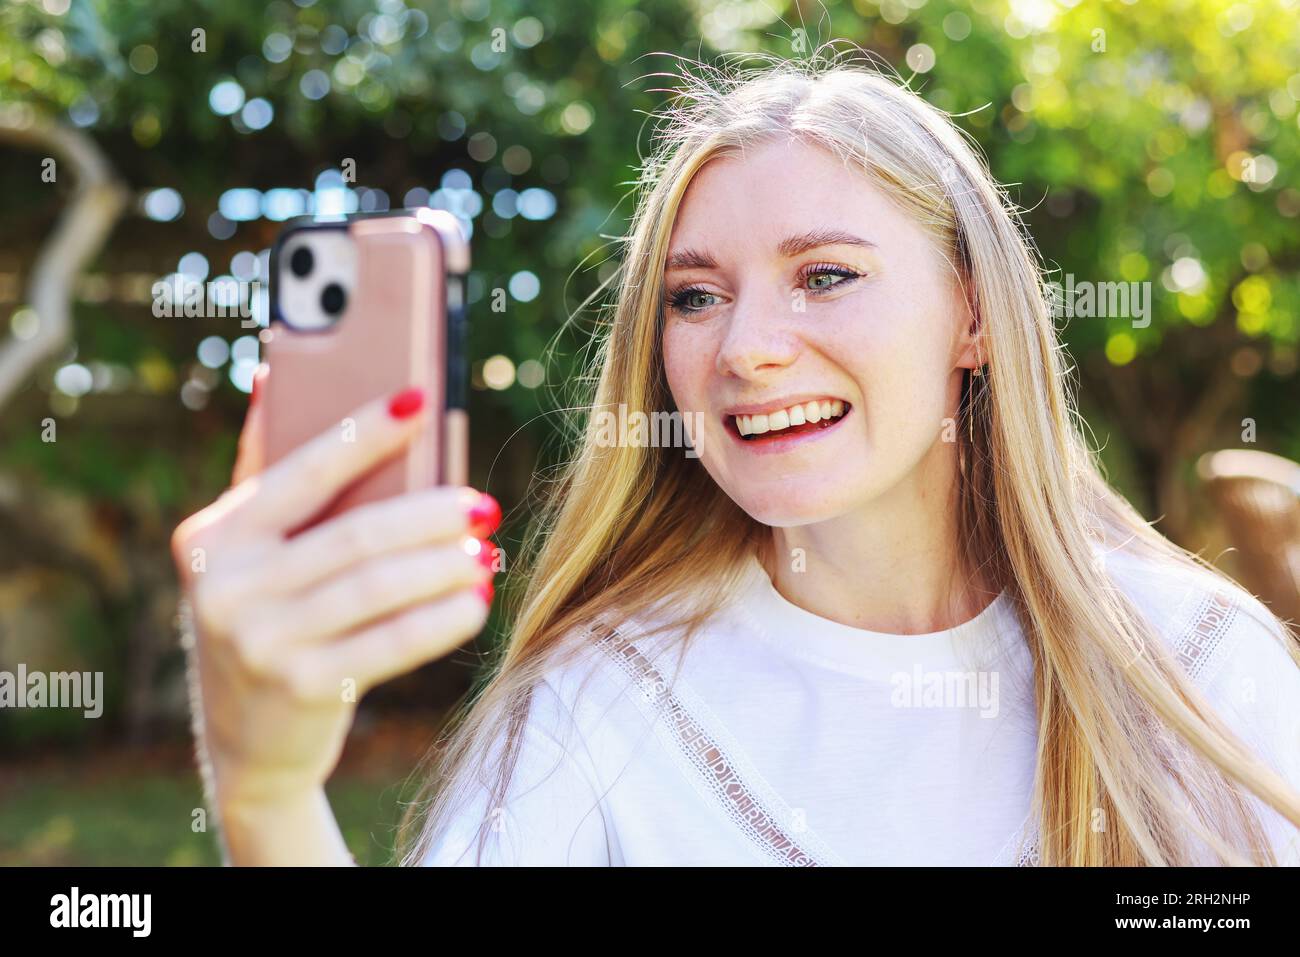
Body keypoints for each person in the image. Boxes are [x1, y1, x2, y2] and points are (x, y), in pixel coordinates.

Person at [171, 52, 1300, 867]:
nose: (746, 350)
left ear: (972, 317)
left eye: (825, 276)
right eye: (696, 297)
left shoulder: (1198, 668)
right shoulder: (598, 702)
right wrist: (267, 796)